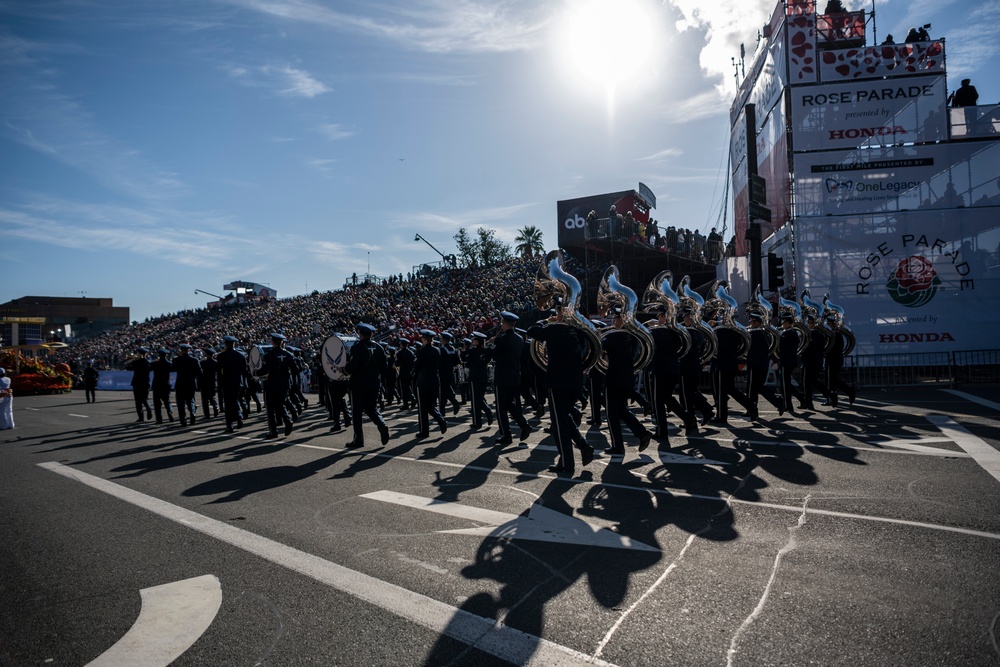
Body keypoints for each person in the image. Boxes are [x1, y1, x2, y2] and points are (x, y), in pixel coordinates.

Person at [526, 310, 594, 474]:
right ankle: (584, 446)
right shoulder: (579, 331)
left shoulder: (555, 329)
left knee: (559, 424)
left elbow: (532, 331)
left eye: (558, 313)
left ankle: (567, 463)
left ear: (562, 315)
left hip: (558, 382)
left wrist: (546, 321)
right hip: (575, 381)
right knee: (564, 418)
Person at [601, 308, 653, 456]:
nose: (613, 322)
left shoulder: (613, 337)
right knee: (622, 410)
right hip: (628, 377)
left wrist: (599, 336)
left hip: (613, 379)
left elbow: (600, 347)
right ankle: (642, 433)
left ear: (622, 320)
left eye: (616, 319)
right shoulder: (633, 337)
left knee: (612, 414)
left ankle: (618, 446)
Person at [648, 306, 697, 439]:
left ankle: (662, 431)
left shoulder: (656, 332)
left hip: (660, 369)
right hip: (674, 368)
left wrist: (652, 328)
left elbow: (649, 348)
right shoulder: (678, 332)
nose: (658, 319)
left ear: (664, 317)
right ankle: (687, 418)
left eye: (659, 316)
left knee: (658, 401)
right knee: (667, 398)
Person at [485, 312, 532, 445]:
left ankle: (506, 434)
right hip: (514, 375)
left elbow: (493, 354)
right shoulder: (519, 338)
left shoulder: (503, 338)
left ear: (505, 324)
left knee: (501, 407)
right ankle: (524, 425)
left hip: (502, 376)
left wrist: (489, 345)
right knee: (509, 404)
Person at [342, 323, 391, 449]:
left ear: (361, 334)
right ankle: (381, 424)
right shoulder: (378, 347)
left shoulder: (357, 347)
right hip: (374, 383)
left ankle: (358, 440)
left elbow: (352, 366)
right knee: (372, 408)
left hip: (358, 384)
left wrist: (343, 370)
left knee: (357, 413)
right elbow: (384, 366)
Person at [745, 312, 784, 419]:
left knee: (751, 388)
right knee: (759, 387)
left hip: (754, 364)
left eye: (752, 322)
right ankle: (777, 402)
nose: (750, 324)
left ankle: (751, 409)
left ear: (758, 323)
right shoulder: (764, 333)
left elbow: (748, 349)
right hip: (762, 364)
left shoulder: (754, 334)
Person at [413, 329, 448, 438]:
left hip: (423, 381)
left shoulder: (421, 352)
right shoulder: (437, 350)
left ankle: (424, 431)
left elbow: (417, 366)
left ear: (424, 339)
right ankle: (441, 420)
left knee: (423, 408)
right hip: (434, 380)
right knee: (431, 406)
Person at [261, 333, 296, 438]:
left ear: (273, 342)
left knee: (271, 408)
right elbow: (295, 369)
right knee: (281, 404)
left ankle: (273, 431)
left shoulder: (269, 355)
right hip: (284, 384)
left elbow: (265, 370)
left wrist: (256, 372)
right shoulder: (289, 355)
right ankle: (287, 420)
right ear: (282, 342)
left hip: (272, 384)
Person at [216, 335, 248, 432]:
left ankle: (230, 425)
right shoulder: (240, 356)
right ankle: (239, 418)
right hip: (238, 382)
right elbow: (244, 371)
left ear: (225, 344)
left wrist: (221, 382)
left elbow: (219, 371)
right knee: (235, 400)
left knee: (228, 404)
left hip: (226, 382)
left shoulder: (221, 356)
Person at [825, 313, 857, 407]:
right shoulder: (834, 334)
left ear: (833, 324)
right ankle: (832, 398)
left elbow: (832, 348)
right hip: (832, 359)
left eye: (829, 324)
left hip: (834, 359)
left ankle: (847, 391)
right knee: (831, 380)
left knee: (832, 379)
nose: (828, 326)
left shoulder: (835, 335)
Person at [463, 332, 494, 429]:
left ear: (477, 341)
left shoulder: (472, 351)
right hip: (483, 376)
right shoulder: (487, 350)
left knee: (475, 399)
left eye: (474, 340)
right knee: (480, 397)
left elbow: (467, 363)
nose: (473, 341)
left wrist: (465, 352)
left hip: (474, 376)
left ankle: (480, 419)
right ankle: (484, 415)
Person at [777, 314, 807, 414]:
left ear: (789, 323)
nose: (782, 324)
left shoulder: (789, 333)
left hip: (787, 361)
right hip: (788, 361)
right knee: (786, 384)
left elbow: (781, 343)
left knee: (785, 385)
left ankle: (787, 405)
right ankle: (801, 397)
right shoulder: (789, 333)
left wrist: (777, 334)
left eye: (784, 322)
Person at [173, 343, 203, 427]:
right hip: (190, 383)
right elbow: (199, 372)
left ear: (181, 350)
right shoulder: (194, 360)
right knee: (191, 400)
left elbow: (172, 369)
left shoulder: (177, 360)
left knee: (180, 403)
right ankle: (192, 413)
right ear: (188, 350)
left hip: (180, 384)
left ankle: (183, 420)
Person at [437, 332, 462, 417]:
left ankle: (454, 403)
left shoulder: (441, 350)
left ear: (444, 340)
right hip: (450, 373)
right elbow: (457, 361)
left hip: (442, 373)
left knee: (443, 393)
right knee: (445, 391)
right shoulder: (453, 349)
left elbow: (439, 363)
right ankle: (442, 412)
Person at [126, 347, 153, 422]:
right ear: (146, 354)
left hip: (136, 382)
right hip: (145, 382)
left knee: (138, 401)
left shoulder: (135, 362)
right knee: (145, 397)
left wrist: (131, 360)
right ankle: (148, 408)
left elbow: (127, 368)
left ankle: (141, 417)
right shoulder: (148, 362)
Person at [150, 347, 174, 424]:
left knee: (157, 403)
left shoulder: (155, 363)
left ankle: (159, 419)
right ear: (166, 355)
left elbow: (149, 367)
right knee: (167, 400)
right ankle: (169, 411)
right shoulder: (169, 364)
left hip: (156, 384)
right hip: (166, 384)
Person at [200, 347, 220, 421]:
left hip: (204, 382)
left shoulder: (203, 362)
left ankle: (207, 415)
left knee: (205, 400)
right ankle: (216, 408)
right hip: (212, 381)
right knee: (212, 397)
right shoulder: (215, 363)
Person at [395, 338, 416, 410]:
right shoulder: (411, 352)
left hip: (403, 372)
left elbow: (397, 364)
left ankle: (407, 403)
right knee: (408, 387)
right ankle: (411, 399)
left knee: (404, 389)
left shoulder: (400, 353)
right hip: (409, 372)